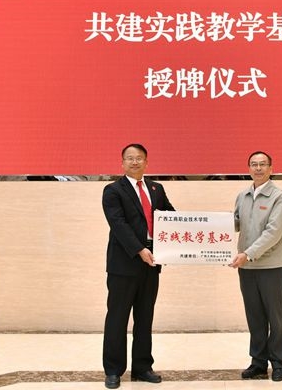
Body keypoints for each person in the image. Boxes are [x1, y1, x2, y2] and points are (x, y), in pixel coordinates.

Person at [102, 143, 175, 389]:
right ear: (122, 163)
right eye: (130, 158)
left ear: (147, 162)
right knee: (117, 317)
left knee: (145, 318)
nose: (135, 162)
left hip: (152, 262)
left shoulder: (156, 188)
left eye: (139, 158)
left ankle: (143, 367)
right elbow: (118, 224)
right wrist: (139, 250)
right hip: (124, 263)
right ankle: (113, 370)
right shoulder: (113, 190)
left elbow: (171, 217)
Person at [229, 151, 282, 382]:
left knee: (275, 318)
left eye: (263, 164)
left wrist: (248, 254)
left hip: (271, 267)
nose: (258, 168)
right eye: (254, 164)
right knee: (254, 317)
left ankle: (279, 362)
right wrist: (213, 225)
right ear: (248, 169)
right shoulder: (242, 195)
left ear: (271, 169)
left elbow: (273, 233)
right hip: (246, 268)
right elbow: (235, 223)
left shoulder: (279, 197)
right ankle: (258, 363)